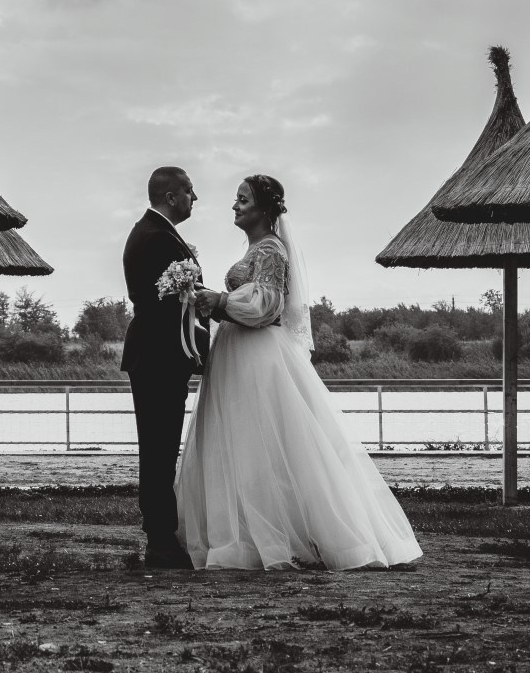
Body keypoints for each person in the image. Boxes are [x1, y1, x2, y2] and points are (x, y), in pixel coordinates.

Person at [178, 175, 421, 570]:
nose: (235, 206)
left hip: (257, 355)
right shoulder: (258, 247)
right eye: (236, 200)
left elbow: (268, 306)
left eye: (242, 200)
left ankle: (281, 535)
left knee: (266, 442)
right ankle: (247, 533)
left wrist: (219, 299)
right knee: (241, 441)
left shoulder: (272, 248)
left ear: (263, 208)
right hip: (236, 351)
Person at [121, 166, 206, 569]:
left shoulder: (157, 233)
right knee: (158, 448)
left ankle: (161, 535)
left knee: (161, 446)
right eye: (190, 191)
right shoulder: (155, 237)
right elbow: (167, 308)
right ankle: (159, 539)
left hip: (160, 355)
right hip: (156, 356)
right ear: (171, 197)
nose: (195, 198)